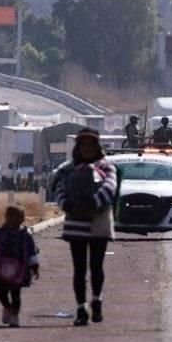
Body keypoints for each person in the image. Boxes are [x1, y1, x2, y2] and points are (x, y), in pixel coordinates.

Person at [52, 128, 119, 326]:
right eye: (83, 145)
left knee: (96, 266)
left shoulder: (107, 166)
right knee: (79, 268)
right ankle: (81, 308)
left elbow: (110, 188)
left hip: (99, 223)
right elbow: (59, 189)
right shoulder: (67, 169)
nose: (87, 149)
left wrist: (92, 203)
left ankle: (97, 300)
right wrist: (68, 205)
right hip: (75, 223)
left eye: (91, 145)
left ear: (97, 147)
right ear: (78, 147)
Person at [0, 206, 39, 328]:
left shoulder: (25, 235)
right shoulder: (0, 232)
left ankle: (14, 316)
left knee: (16, 294)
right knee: (1, 291)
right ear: (7, 218)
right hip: (2, 270)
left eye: (20, 217)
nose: (17, 220)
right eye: (13, 217)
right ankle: (7, 307)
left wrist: (34, 266)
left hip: (19, 271)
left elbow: (31, 251)